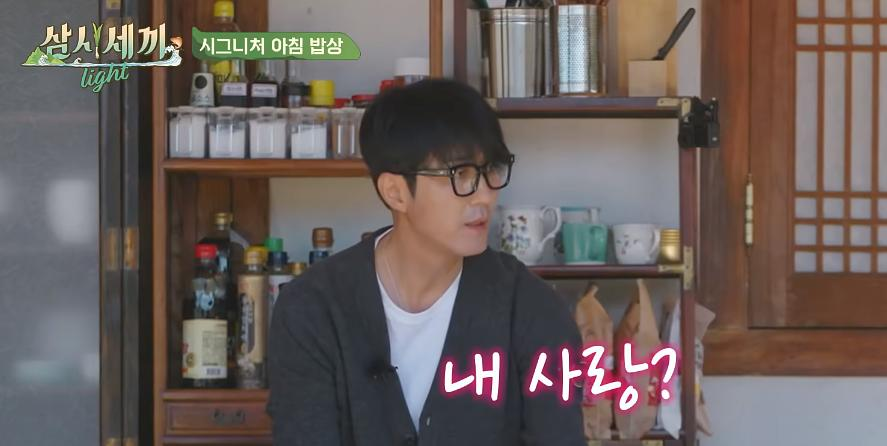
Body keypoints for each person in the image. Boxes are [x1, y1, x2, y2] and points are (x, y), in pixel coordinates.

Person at [267, 79, 584, 445]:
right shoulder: (312, 309)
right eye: (460, 174)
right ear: (395, 192)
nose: (484, 195)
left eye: (491, 170)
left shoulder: (532, 309)